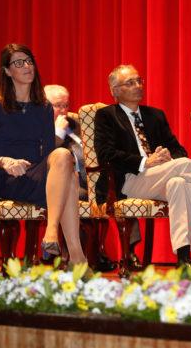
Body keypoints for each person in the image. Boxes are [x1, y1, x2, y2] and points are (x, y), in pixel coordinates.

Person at [94, 64, 191, 270]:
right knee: (184, 167)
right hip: (126, 180)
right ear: (114, 91)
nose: (138, 85)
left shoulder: (155, 115)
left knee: (178, 183)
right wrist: (144, 161)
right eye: (130, 83)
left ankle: (184, 259)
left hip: (159, 177)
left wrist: (167, 156)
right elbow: (106, 155)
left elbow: (179, 151)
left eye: (139, 80)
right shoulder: (106, 116)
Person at [0, 43, 88, 267]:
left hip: (39, 175)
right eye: (18, 62)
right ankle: (75, 256)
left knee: (63, 158)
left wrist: (51, 165)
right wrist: (3, 161)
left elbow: (49, 152)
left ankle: (55, 235)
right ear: (7, 71)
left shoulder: (43, 107)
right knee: (70, 181)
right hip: (10, 179)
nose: (26, 66)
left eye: (29, 61)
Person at [44, 84, 116, 272]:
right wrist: (57, 133)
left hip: (91, 179)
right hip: (59, 182)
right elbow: (42, 157)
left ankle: (122, 252)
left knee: (119, 190)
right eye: (57, 105)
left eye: (66, 105)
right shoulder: (39, 127)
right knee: (76, 192)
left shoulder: (76, 125)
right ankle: (78, 255)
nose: (63, 110)